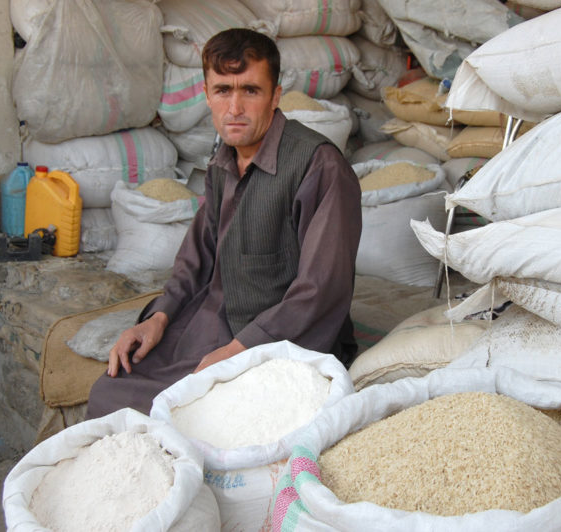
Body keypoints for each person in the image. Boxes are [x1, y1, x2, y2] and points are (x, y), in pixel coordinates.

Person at [86, 28, 362, 418]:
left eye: (250, 90)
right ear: (207, 96)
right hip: (215, 323)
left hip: (283, 341)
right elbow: (195, 260)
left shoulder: (319, 166)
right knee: (113, 395)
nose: (235, 108)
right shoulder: (224, 160)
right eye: (223, 91)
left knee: (193, 416)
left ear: (275, 97)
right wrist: (157, 318)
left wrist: (236, 353)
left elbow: (320, 291)